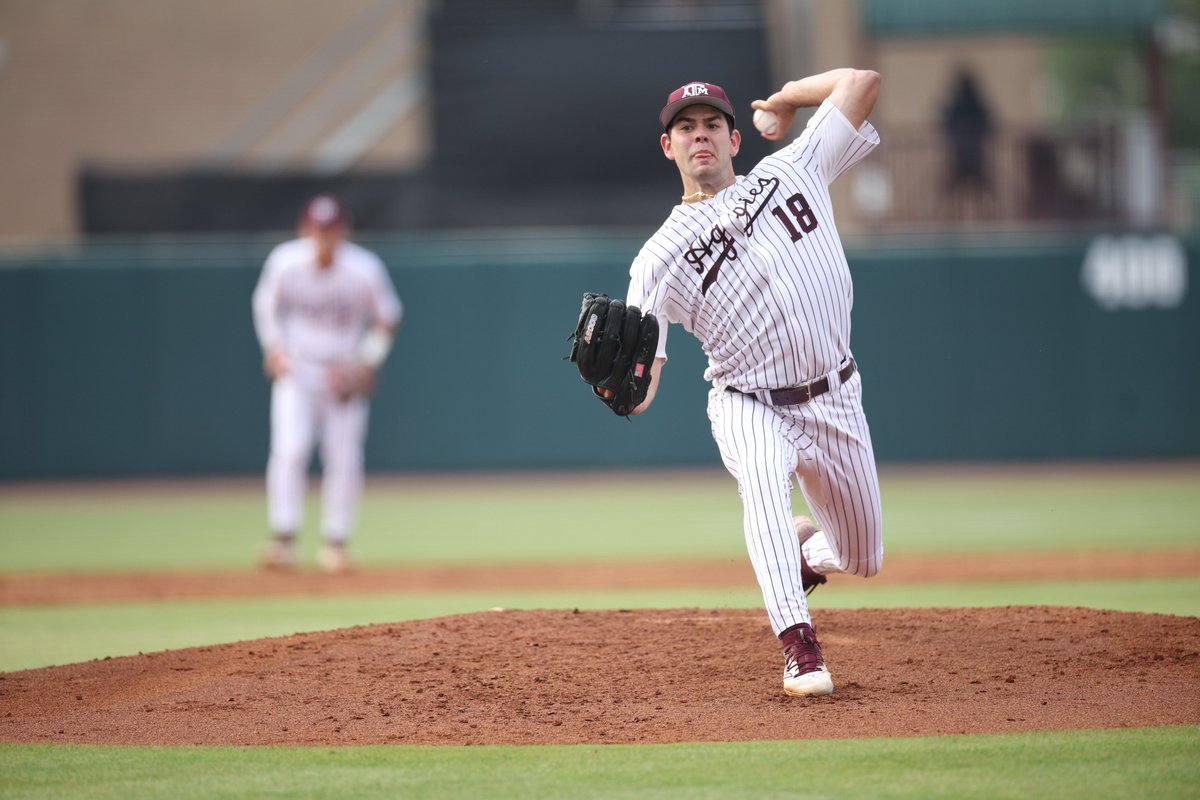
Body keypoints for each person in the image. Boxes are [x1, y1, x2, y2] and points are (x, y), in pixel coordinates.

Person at [623, 72, 885, 697]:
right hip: (749, 400)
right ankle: (799, 647)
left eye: (711, 124)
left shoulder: (792, 168)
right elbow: (643, 374)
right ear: (669, 148)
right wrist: (626, 393)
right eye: (684, 128)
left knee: (862, 557)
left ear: (736, 137)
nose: (699, 135)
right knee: (764, 479)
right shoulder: (656, 259)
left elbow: (861, 82)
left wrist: (792, 95)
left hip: (837, 396)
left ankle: (797, 558)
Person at [251, 194, 403, 573]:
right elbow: (265, 306)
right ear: (305, 230)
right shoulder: (285, 262)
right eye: (318, 230)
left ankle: (336, 543)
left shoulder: (363, 268)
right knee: (290, 449)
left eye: (331, 230)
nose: (324, 238)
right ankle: (283, 539)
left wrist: (367, 361)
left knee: (344, 456)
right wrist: (273, 349)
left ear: (343, 231)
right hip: (299, 369)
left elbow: (387, 319)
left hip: (342, 371)